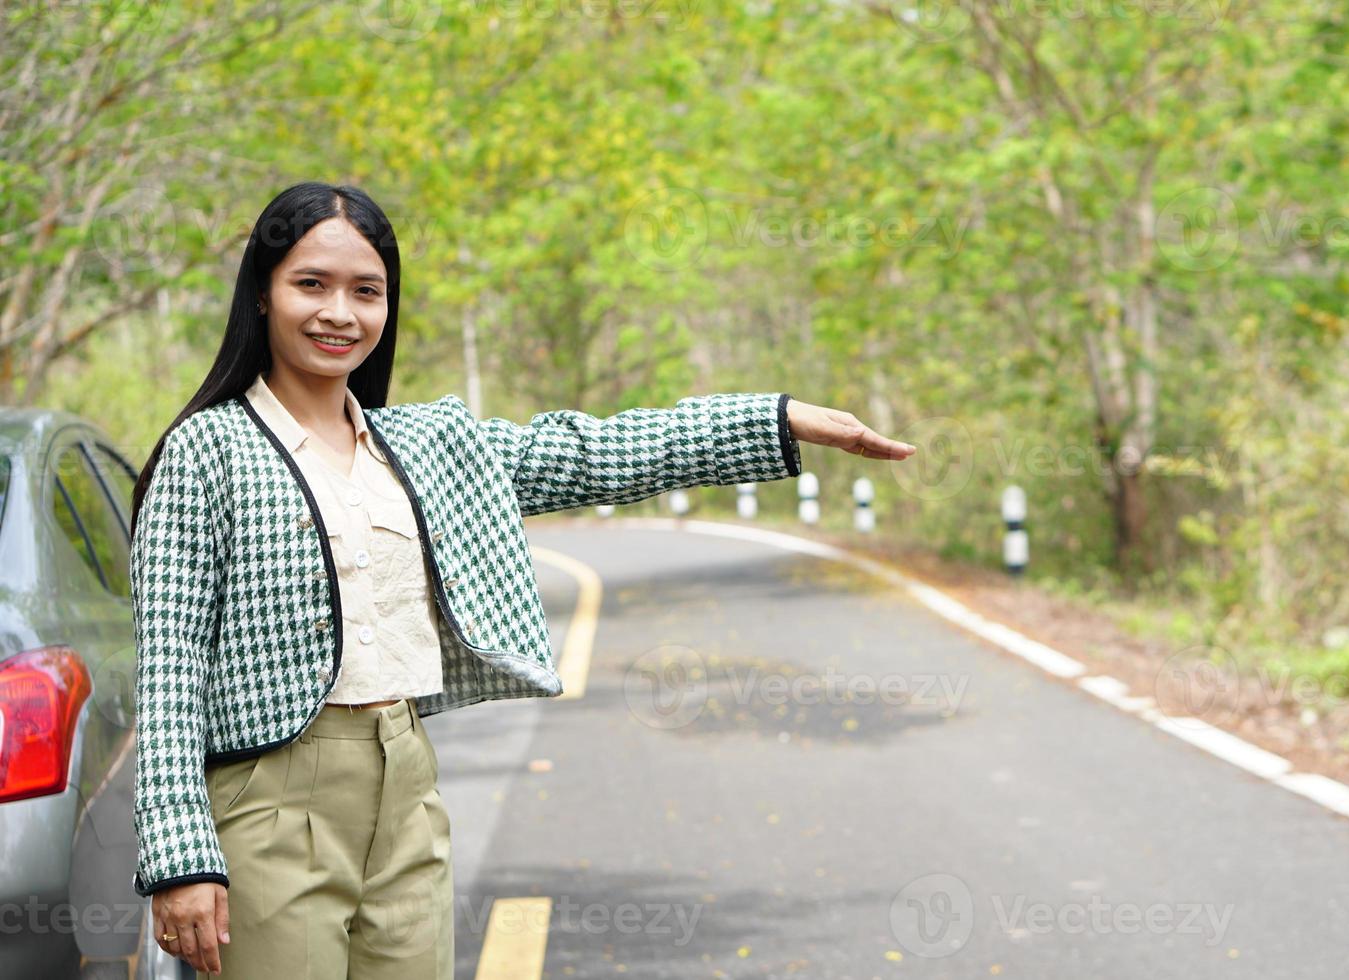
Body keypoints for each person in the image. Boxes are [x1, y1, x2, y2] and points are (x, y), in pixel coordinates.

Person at [127, 180, 916, 979]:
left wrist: (774, 420)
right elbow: (170, 670)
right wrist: (181, 857)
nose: (341, 312)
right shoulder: (206, 452)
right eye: (311, 285)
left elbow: (591, 452)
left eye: (367, 291)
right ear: (262, 295)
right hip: (268, 799)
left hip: (406, 787)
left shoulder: (429, 445)